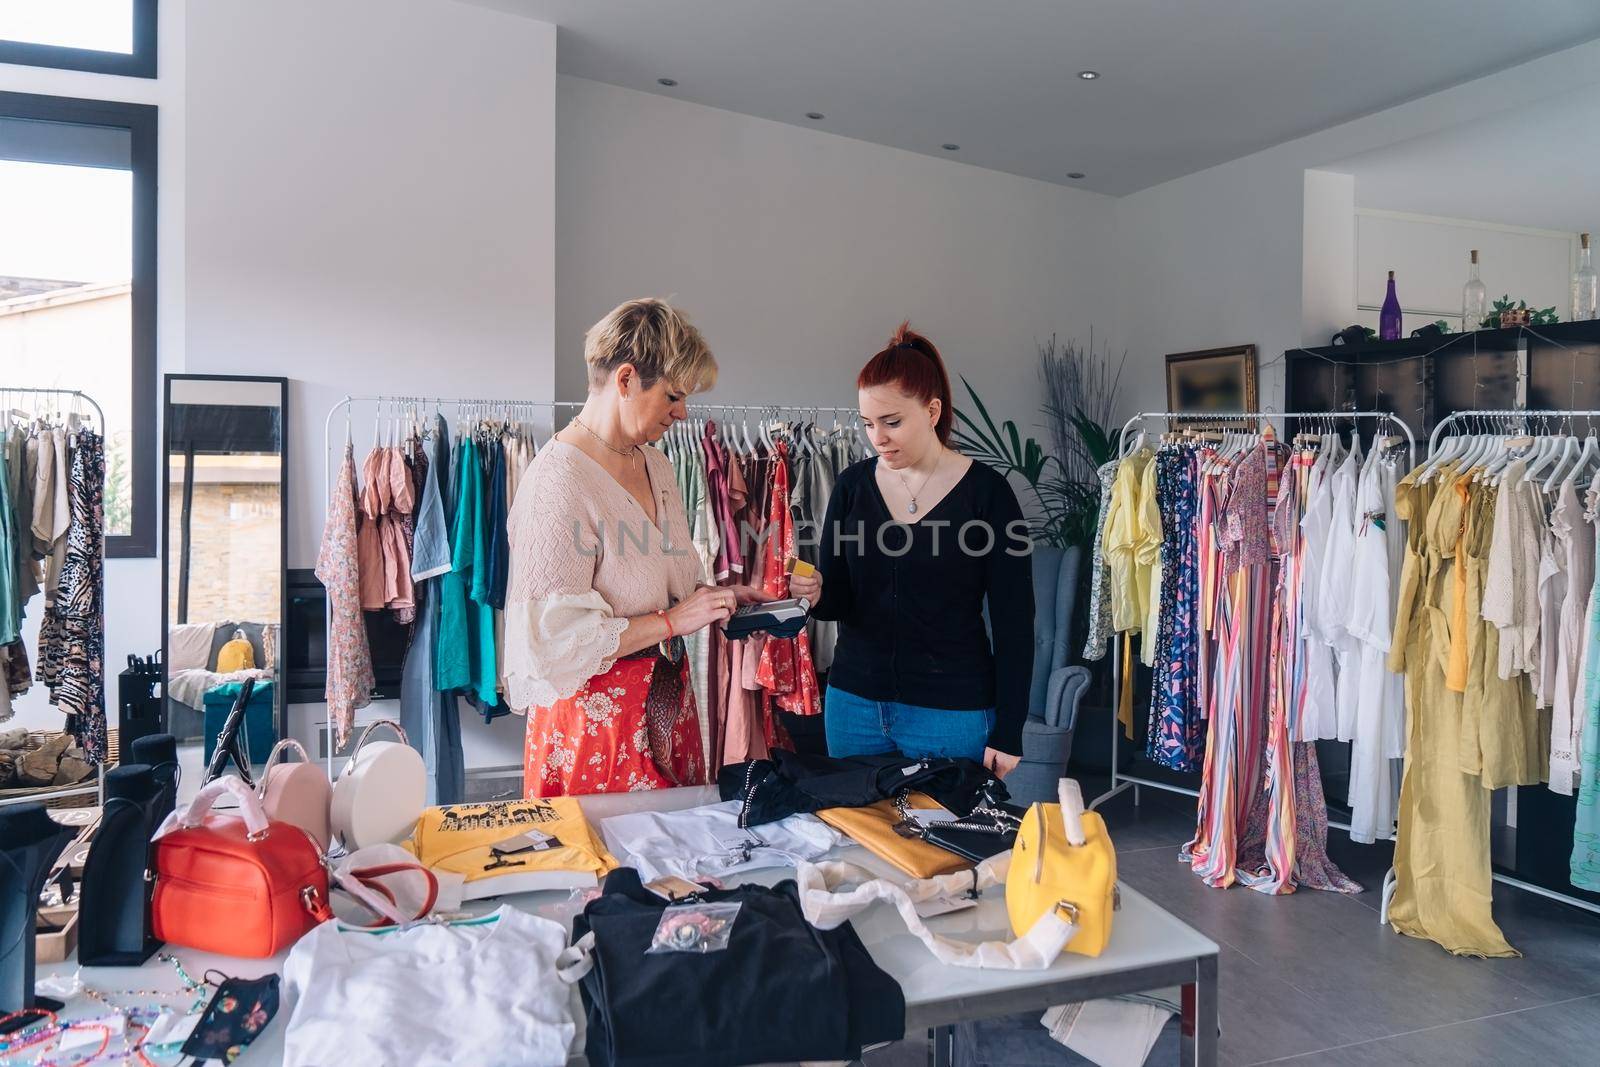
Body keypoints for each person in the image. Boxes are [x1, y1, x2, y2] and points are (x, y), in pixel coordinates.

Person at [504, 298, 768, 796]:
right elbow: (551, 645)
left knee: (681, 869)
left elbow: (668, 586)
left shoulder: (657, 465)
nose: (683, 413)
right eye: (673, 396)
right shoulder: (556, 484)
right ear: (626, 380)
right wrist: (673, 623)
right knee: (609, 869)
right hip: (596, 731)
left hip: (667, 710)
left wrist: (729, 596)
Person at [810, 322, 1034, 777]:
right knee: (857, 844)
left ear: (932, 411)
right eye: (868, 423)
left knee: (945, 846)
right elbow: (837, 601)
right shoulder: (852, 486)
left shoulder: (987, 495)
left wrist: (1010, 731)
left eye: (892, 422)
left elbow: (1015, 624)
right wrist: (813, 593)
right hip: (853, 707)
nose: (878, 438)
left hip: (952, 713)